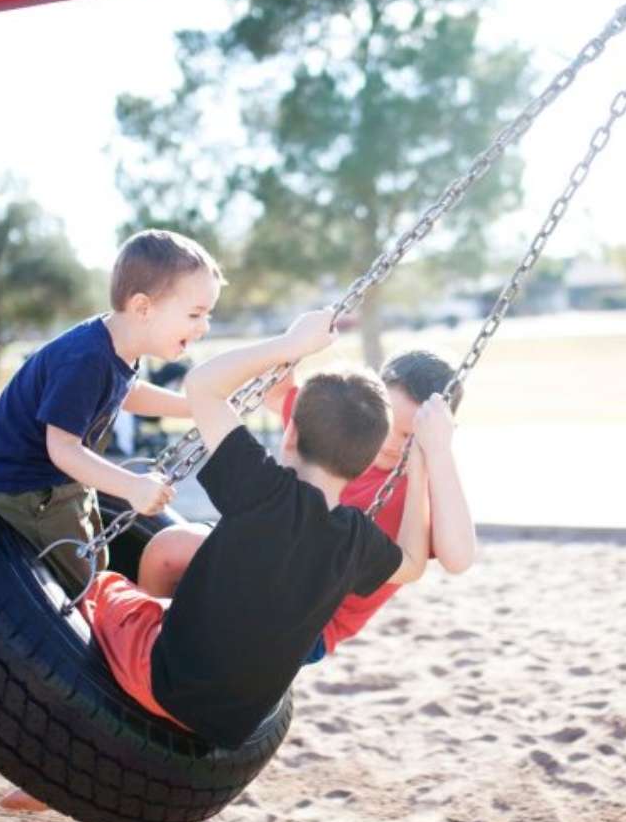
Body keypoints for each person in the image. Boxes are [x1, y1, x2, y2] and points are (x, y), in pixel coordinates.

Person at [81, 309, 435, 742]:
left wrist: (290, 346)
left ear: (289, 436)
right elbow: (415, 563)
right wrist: (419, 465)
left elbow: (202, 385)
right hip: (234, 728)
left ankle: (90, 727)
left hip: (163, 685)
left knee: (94, 588)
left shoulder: (260, 485)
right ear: (367, 462)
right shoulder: (357, 539)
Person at [136, 349, 476, 664]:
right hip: (260, 559)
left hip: (309, 620)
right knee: (167, 551)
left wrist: (436, 455)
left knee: (205, 585)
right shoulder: (343, 427)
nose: (392, 442)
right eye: (390, 425)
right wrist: (293, 349)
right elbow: (277, 393)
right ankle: (148, 641)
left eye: (412, 436)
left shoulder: (423, 489)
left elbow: (458, 558)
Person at [0, 229, 222, 592]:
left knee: (98, 556)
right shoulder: (86, 359)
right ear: (143, 308)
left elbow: (128, 391)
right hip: (29, 488)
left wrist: (192, 408)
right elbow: (62, 448)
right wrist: (132, 486)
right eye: (195, 314)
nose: (204, 327)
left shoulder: (117, 344)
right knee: (82, 579)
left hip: (58, 480)